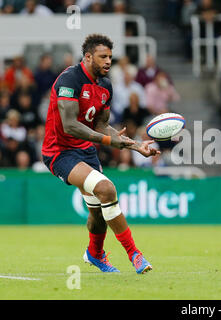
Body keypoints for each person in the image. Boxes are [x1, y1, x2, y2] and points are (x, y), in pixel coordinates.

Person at [41, 34, 160, 274]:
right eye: (102, 56)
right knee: (106, 188)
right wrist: (108, 141)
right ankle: (135, 254)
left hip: (86, 151)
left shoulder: (105, 85)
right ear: (87, 57)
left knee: (97, 212)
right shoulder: (69, 80)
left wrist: (134, 145)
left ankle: (94, 254)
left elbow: (101, 126)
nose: (108, 62)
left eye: (110, 57)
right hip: (60, 152)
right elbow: (70, 125)